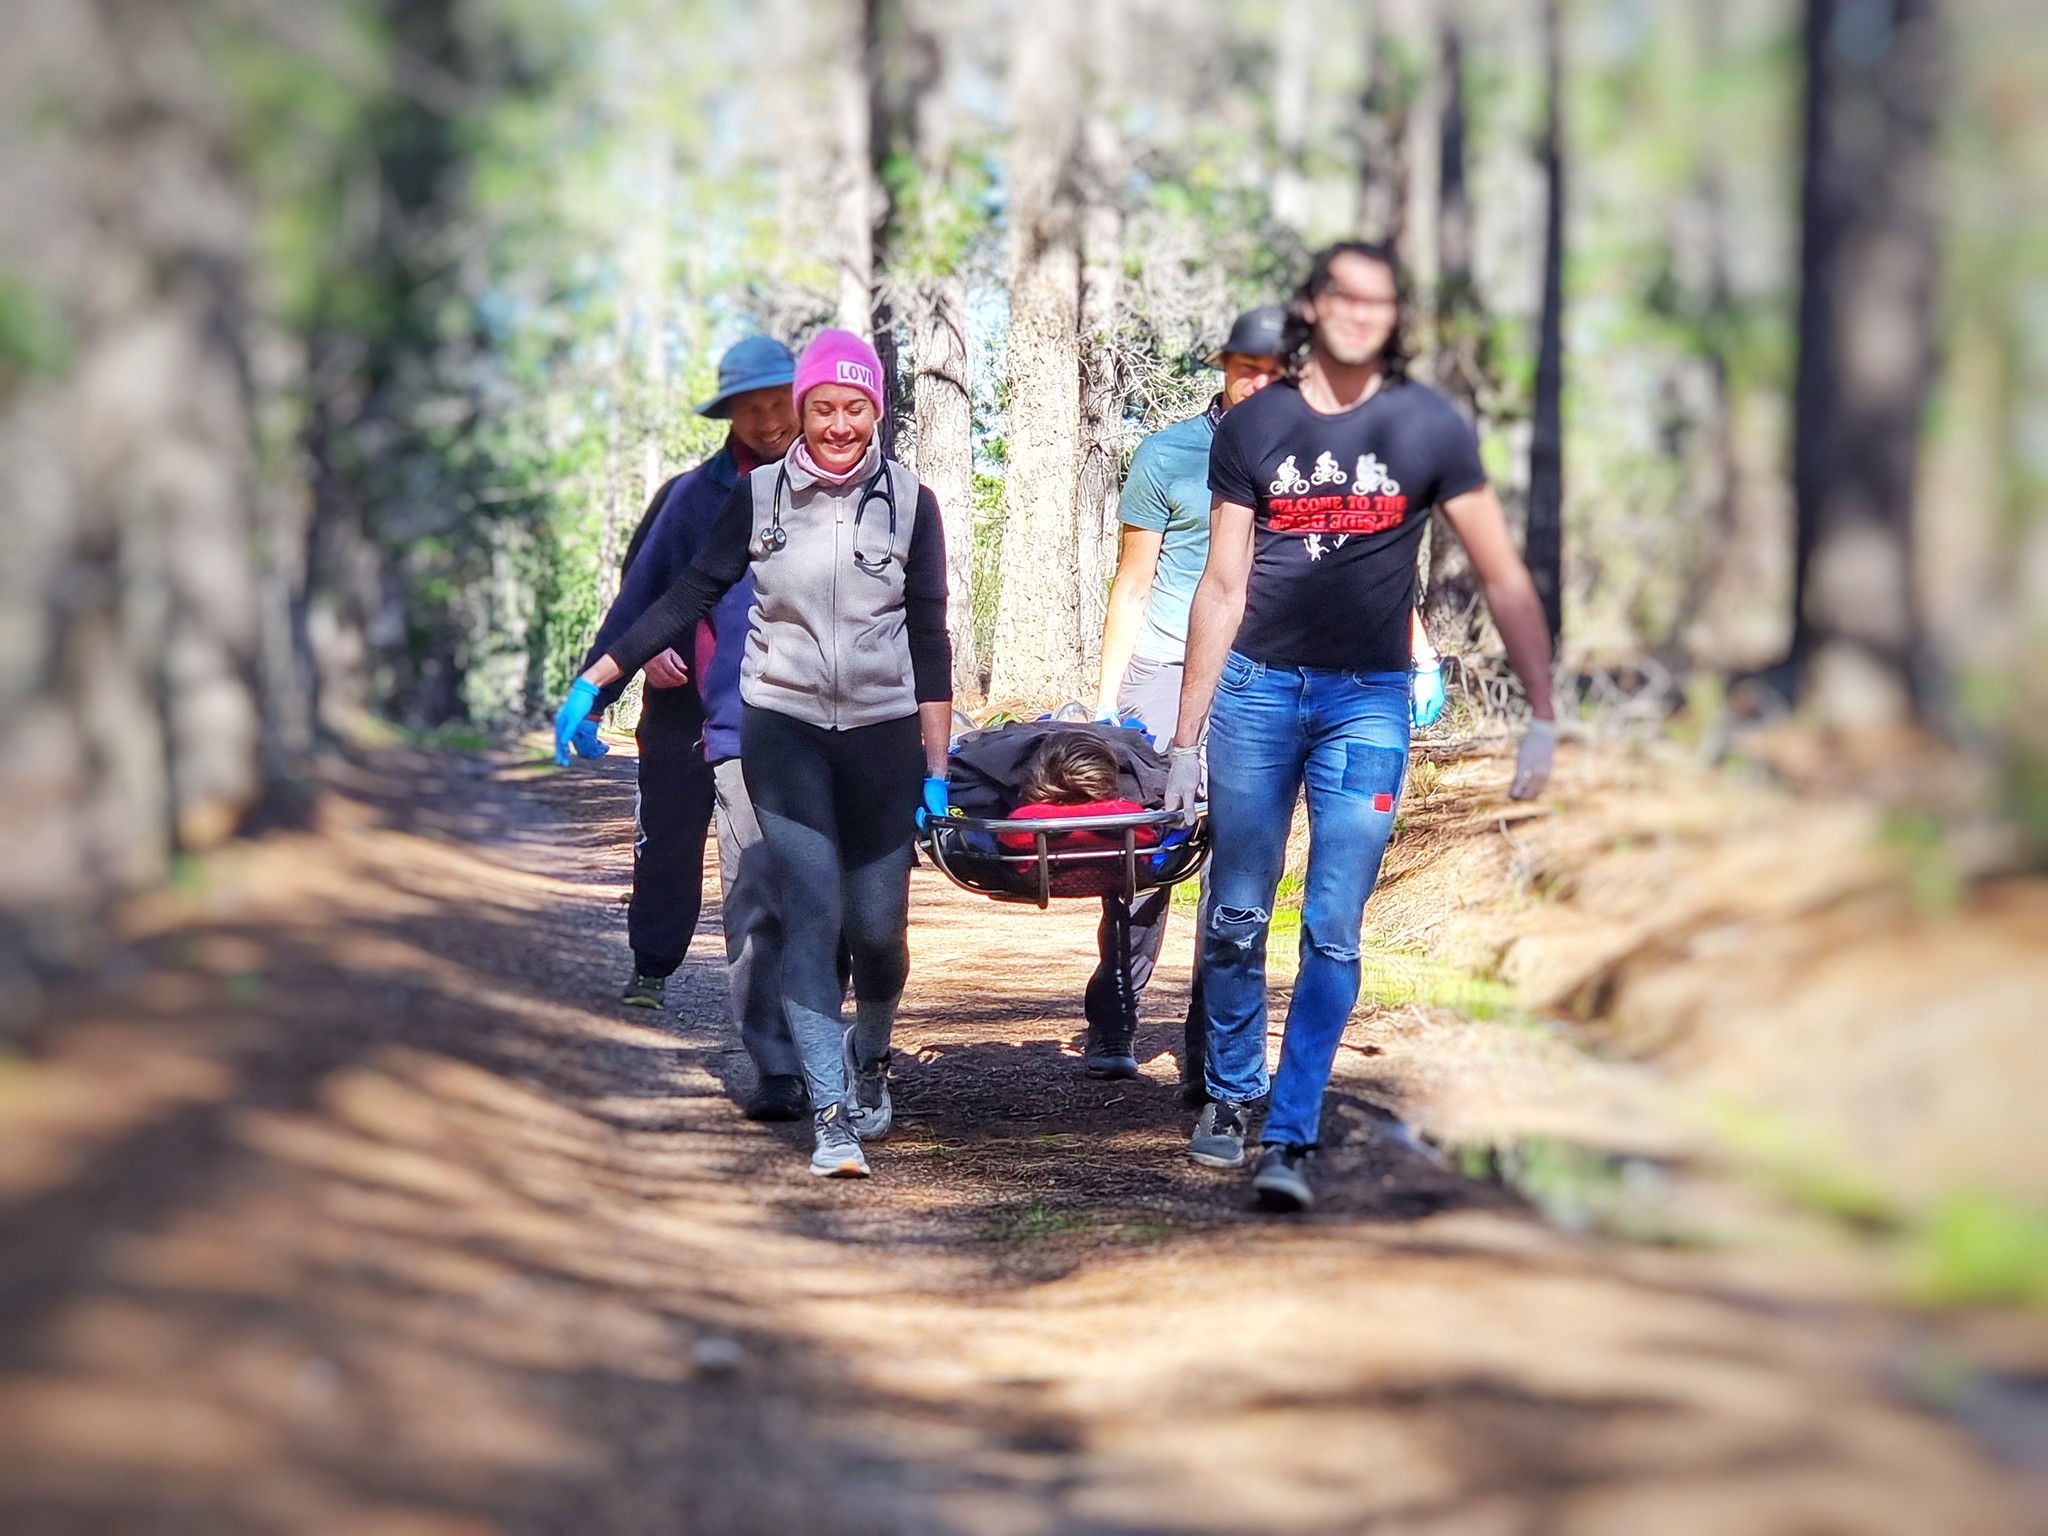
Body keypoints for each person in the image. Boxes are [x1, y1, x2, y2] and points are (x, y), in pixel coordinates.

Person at [1163, 240, 1557, 1213]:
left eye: (1378, 301)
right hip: (1255, 694)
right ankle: (1231, 1092)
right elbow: (1221, 584)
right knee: (1237, 914)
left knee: (1332, 929)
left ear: (1394, 317)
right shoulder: (1254, 425)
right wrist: (1183, 737)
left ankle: (1290, 1131)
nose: (1358, 312)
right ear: (1311, 306)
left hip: (1367, 705)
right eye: (1341, 295)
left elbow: (1501, 574)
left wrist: (1543, 713)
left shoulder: (1425, 427)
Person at [554, 329, 953, 1181]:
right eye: (821, 407)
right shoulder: (753, 496)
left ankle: (870, 1056)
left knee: (876, 931)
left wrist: (936, 766)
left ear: (876, 410)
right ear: (803, 410)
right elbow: (684, 593)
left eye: (853, 408)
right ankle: (827, 1114)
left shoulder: (913, 502)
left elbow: (930, 636)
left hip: (881, 736)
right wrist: (599, 679)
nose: (835, 424)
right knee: (805, 912)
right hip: (780, 729)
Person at [567, 337, 812, 1124]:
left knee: (775, 876)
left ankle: (798, 1045)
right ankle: (653, 959)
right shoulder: (692, 496)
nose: (769, 421)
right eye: (751, 409)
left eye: (778, 404)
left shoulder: (832, 485)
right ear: (729, 415)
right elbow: (645, 592)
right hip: (683, 704)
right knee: (670, 837)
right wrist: (625, 670)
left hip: (785, 714)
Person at [1083, 306, 1284, 1083]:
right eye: (1246, 368)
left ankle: (1212, 1045)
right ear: (1223, 368)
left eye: (1274, 372)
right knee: (1144, 853)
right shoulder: (1168, 454)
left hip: (1259, 676)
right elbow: (1132, 582)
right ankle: (1114, 1015)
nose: (1259, 383)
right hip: (1166, 667)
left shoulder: (1307, 457)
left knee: (1237, 866)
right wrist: (1109, 703)